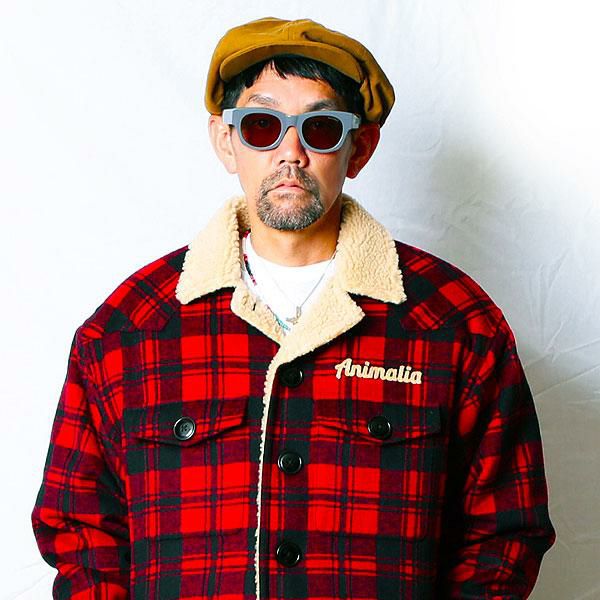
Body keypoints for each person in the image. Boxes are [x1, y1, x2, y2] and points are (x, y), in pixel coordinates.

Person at [32, 16, 556, 599]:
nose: (291, 153)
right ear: (225, 140)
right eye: (262, 126)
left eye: (320, 128)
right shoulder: (128, 332)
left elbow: (504, 536)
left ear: (359, 149)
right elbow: (82, 535)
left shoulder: (454, 325)